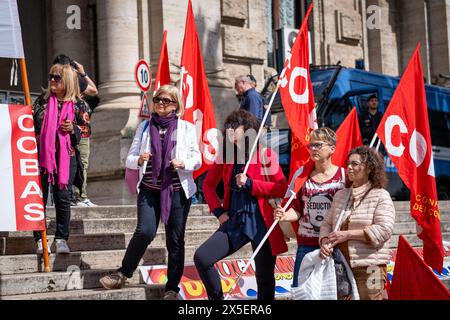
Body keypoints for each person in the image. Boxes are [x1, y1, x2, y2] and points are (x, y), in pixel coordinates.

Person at [99, 85, 201, 300]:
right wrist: (139, 159)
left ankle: (172, 287)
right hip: (149, 189)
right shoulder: (144, 127)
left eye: (165, 100)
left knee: (175, 240)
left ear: (175, 104)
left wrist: (183, 163)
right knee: (145, 231)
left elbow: (197, 159)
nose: (160, 104)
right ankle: (123, 273)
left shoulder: (186, 128)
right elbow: (129, 158)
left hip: (177, 191)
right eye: (157, 100)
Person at [194, 109, 288, 300]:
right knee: (202, 258)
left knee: (264, 277)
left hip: (262, 221)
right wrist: (218, 211)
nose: (229, 129)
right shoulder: (226, 155)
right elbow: (208, 185)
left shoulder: (265, 153)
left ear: (247, 129)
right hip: (235, 220)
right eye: (227, 126)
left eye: (234, 126)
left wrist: (252, 184)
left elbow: (282, 188)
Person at [319, 145, 395, 300]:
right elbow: (326, 224)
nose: (349, 168)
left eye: (354, 164)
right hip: (341, 266)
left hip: (371, 268)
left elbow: (384, 230)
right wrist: (325, 241)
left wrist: (347, 235)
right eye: (348, 164)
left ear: (369, 168)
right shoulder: (340, 195)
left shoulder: (381, 196)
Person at [273, 127, 346, 287]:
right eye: (311, 145)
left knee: (333, 294)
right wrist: (284, 215)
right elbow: (297, 209)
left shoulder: (344, 176)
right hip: (307, 245)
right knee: (301, 293)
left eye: (318, 145)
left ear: (332, 149)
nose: (313, 149)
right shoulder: (301, 174)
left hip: (335, 246)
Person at [33, 63, 86, 254]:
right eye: (51, 77)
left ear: (68, 81)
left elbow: (86, 131)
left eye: (57, 78)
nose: (52, 81)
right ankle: (40, 239)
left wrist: (73, 129)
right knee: (38, 198)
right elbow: (30, 126)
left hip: (67, 158)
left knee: (62, 199)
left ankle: (61, 238)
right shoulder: (42, 101)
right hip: (42, 157)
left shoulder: (79, 104)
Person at [52, 54, 98, 207]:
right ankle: (78, 197)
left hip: (79, 131)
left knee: (78, 163)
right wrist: (82, 73)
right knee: (76, 163)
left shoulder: (72, 82)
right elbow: (93, 91)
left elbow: (93, 91)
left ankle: (77, 196)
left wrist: (82, 73)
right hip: (69, 133)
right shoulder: (59, 83)